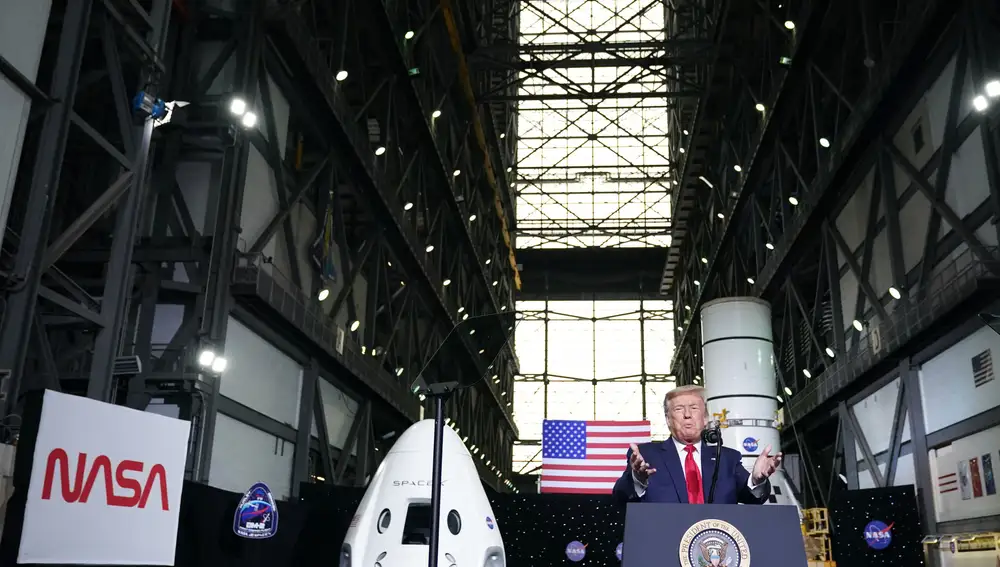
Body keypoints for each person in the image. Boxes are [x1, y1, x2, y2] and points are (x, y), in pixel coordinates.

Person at [613, 385, 782, 504]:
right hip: (663, 546)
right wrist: (638, 480)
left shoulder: (727, 458)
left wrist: (757, 480)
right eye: (679, 409)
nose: (687, 415)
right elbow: (620, 497)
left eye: (694, 408)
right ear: (668, 420)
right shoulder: (646, 455)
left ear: (705, 418)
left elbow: (752, 499)